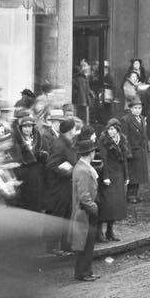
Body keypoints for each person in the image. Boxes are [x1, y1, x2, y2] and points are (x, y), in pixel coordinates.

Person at [42, 117, 78, 254]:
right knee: (57, 215)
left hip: (66, 187)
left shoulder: (68, 143)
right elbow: (51, 165)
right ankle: (52, 246)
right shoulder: (60, 144)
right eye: (74, 128)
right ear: (70, 130)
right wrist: (68, 172)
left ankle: (64, 244)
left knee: (67, 215)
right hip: (58, 188)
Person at [69, 128, 101, 281]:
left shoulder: (83, 167)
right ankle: (81, 273)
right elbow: (83, 195)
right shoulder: (82, 169)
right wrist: (94, 207)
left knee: (88, 244)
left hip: (86, 211)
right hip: (84, 211)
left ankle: (87, 271)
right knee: (84, 244)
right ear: (91, 153)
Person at [96, 116, 129, 241]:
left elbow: (124, 160)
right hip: (108, 174)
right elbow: (104, 159)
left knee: (116, 204)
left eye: (113, 129)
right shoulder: (103, 141)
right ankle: (99, 232)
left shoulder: (122, 141)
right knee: (105, 204)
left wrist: (126, 176)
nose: (111, 132)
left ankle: (110, 231)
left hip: (118, 175)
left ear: (118, 130)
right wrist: (105, 177)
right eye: (109, 129)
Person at [11, 113, 44, 212]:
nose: (27, 129)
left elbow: (41, 154)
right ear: (21, 128)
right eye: (24, 127)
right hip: (22, 171)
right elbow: (16, 156)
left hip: (35, 172)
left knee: (35, 196)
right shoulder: (16, 141)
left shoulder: (37, 140)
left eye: (29, 126)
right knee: (24, 197)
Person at [122, 100, 149, 203]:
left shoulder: (141, 119)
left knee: (139, 174)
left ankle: (136, 194)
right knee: (133, 174)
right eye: (135, 108)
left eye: (139, 108)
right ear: (131, 109)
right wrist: (128, 151)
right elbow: (125, 137)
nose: (138, 111)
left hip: (141, 150)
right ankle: (130, 195)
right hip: (133, 150)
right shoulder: (127, 120)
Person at [71, 60, 92, 124]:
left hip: (77, 102)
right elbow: (87, 92)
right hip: (83, 102)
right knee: (84, 120)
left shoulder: (75, 79)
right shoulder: (84, 79)